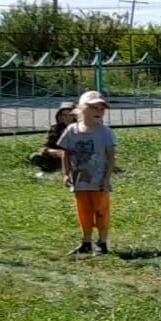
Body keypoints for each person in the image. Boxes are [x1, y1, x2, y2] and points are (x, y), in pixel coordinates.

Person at [58, 90, 117, 255]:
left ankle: (103, 242)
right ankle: (86, 242)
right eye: (94, 108)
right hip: (79, 180)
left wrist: (107, 178)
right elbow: (66, 153)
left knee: (101, 210)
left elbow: (111, 156)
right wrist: (66, 173)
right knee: (84, 211)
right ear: (82, 109)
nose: (99, 111)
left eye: (101, 109)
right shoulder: (72, 130)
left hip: (99, 181)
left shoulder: (105, 132)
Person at [30, 101, 75, 175]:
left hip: (74, 157)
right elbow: (45, 146)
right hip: (57, 157)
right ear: (60, 116)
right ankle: (53, 169)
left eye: (70, 115)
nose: (67, 118)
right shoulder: (55, 129)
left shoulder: (80, 129)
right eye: (64, 115)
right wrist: (52, 151)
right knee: (35, 157)